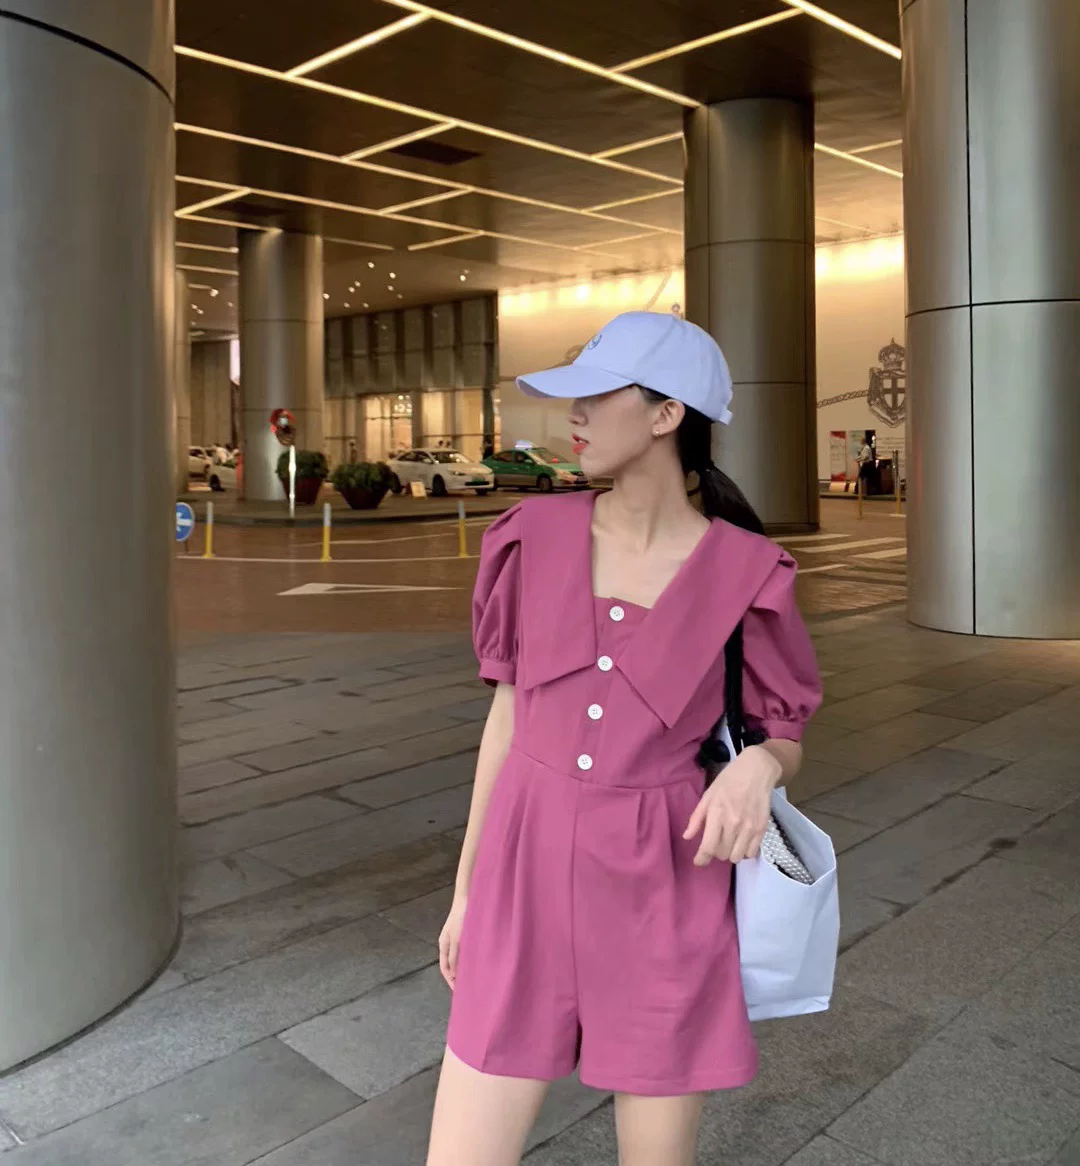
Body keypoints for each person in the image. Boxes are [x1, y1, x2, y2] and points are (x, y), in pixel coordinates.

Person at [427, 311, 822, 1166]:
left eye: (598, 396)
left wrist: (759, 765)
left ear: (666, 414)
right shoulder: (531, 538)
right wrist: (465, 892)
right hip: (522, 884)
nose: (573, 415)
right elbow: (506, 724)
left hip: (664, 894)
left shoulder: (746, 573)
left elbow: (784, 725)